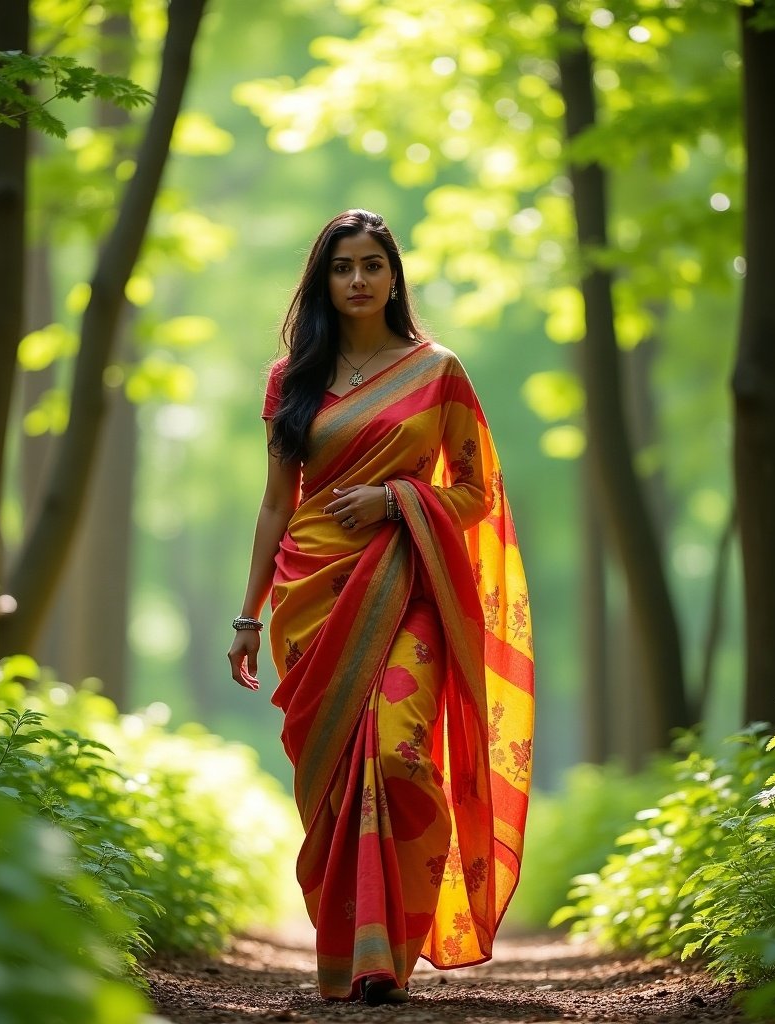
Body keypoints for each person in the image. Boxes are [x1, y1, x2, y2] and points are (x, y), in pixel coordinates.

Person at [227, 209, 535, 1006]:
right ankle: (361, 958)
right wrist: (248, 615)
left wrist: (399, 499)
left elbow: (474, 491)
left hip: (409, 587)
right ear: (323, 280)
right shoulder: (292, 377)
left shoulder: (438, 372)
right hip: (310, 598)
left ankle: (394, 940)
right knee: (332, 782)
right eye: (342, 267)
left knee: (399, 755)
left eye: (372, 264)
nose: (358, 279)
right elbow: (273, 505)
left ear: (395, 275)